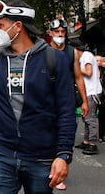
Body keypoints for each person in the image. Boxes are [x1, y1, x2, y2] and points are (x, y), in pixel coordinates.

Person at [0, 0, 76, 194]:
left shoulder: (54, 59)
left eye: (0, 26)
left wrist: (63, 154)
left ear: (18, 26)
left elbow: (66, 110)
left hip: (42, 158)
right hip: (1, 155)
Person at [47, 19, 90, 191]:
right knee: (49, 136)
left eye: (62, 32)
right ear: (50, 33)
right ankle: (50, 168)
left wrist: (85, 101)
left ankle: (61, 172)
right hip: (48, 102)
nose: (59, 35)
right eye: (56, 32)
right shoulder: (44, 52)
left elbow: (79, 77)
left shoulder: (72, 53)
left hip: (67, 102)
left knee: (65, 135)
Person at [72, 39, 103, 155]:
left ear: (75, 49)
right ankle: (86, 141)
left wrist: (76, 69)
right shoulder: (85, 56)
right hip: (88, 91)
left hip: (92, 91)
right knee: (86, 117)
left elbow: (89, 72)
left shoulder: (86, 56)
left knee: (90, 118)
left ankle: (93, 144)